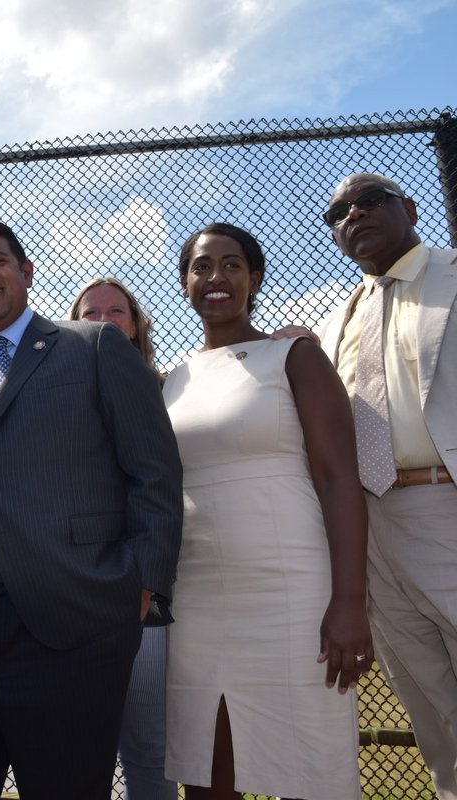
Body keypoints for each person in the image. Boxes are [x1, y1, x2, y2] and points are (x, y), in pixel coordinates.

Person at [0, 218, 183, 798]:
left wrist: (142, 581)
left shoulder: (92, 348)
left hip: (71, 618)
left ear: (26, 272)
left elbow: (154, 471)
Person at [163, 222, 372, 799]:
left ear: (254, 278)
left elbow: (338, 479)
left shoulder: (294, 357)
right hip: (197, 601)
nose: (216, 278)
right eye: (201, 266)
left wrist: (350, 601)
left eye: (231, 265)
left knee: (310, 770)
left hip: (292, 595)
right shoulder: (171, 381)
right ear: (185, 283)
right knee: (207, 771)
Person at [317, 173, 457, 798]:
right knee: (432, 708)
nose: (354, 215)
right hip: (372, 529)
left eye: (369, 201)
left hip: (444, 504)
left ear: (409, 207)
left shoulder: (450, 275)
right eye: (338, 212)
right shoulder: (340, 316)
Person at [70, 278, 175, 800]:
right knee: (75, 748)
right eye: (92, 313)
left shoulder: (167, 387)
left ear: (135, 326)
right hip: (70, 589)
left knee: (149, 745)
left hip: (140, 588)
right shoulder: (52, 394)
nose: (105, 321)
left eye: (117, 312)